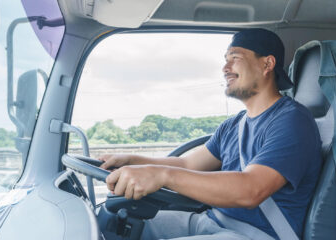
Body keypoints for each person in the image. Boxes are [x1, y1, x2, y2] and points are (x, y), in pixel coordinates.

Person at [99, 28, 322, 240]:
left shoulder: (293, 120)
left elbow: (251, 189)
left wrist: (162, 175)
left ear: (267, 64)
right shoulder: (233, 125)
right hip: (213, 221)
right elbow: (186, 164)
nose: (225, 67)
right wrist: (131, 161)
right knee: (116, 223)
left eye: (235, 57)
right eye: (225, 59)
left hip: (255, 234)